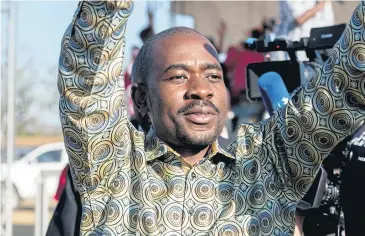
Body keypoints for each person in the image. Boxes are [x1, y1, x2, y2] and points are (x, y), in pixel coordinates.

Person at [58, 1, 365, 236]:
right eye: (178, 76)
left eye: (213, 76)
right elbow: (86, 75)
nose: (201, 90)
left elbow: (345, 82)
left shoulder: (268, 159)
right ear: (141, 99)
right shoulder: (112, 166)